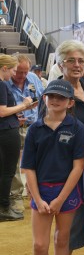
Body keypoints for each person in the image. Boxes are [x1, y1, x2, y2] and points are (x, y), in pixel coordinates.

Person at [21, 80, 84, 255]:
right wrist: (38, 198)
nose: (55, 100)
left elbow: (78, 167)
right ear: (44, 99)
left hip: (67, 193)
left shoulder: (78, 128)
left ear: (70, 103)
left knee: (62, 241)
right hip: (41, 191)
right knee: (40, 245)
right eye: (51, 96)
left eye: (61, 97)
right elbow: (28, 167)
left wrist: (61, 199)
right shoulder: (34, 129)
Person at [38, 40, 84, 255]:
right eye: (71, 61)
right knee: (68, 226)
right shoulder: (57, 90)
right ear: (61, 63)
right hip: (67, 168)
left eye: (81, 61)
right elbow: (45, 127)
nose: (77, 65)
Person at [8, 54, 45, 216]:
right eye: (19, 72)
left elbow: (43, 99)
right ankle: (15, 196)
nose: (22, 76)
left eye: (25, 71)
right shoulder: (4, 82)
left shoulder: (33, 78)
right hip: (13, 128)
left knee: (40, 161)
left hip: (36, 126)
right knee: (13, 164)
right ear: (12, 69)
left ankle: (39, 193)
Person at [0, 54, 35, 221]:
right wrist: (25, 105)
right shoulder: (2, 84)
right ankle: (4, 207)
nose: (15, 74)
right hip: (7, 131)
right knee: (8, 171)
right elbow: (2, 111)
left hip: (9, 128)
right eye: (14, 70)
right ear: (4, 69)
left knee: (6, 171)